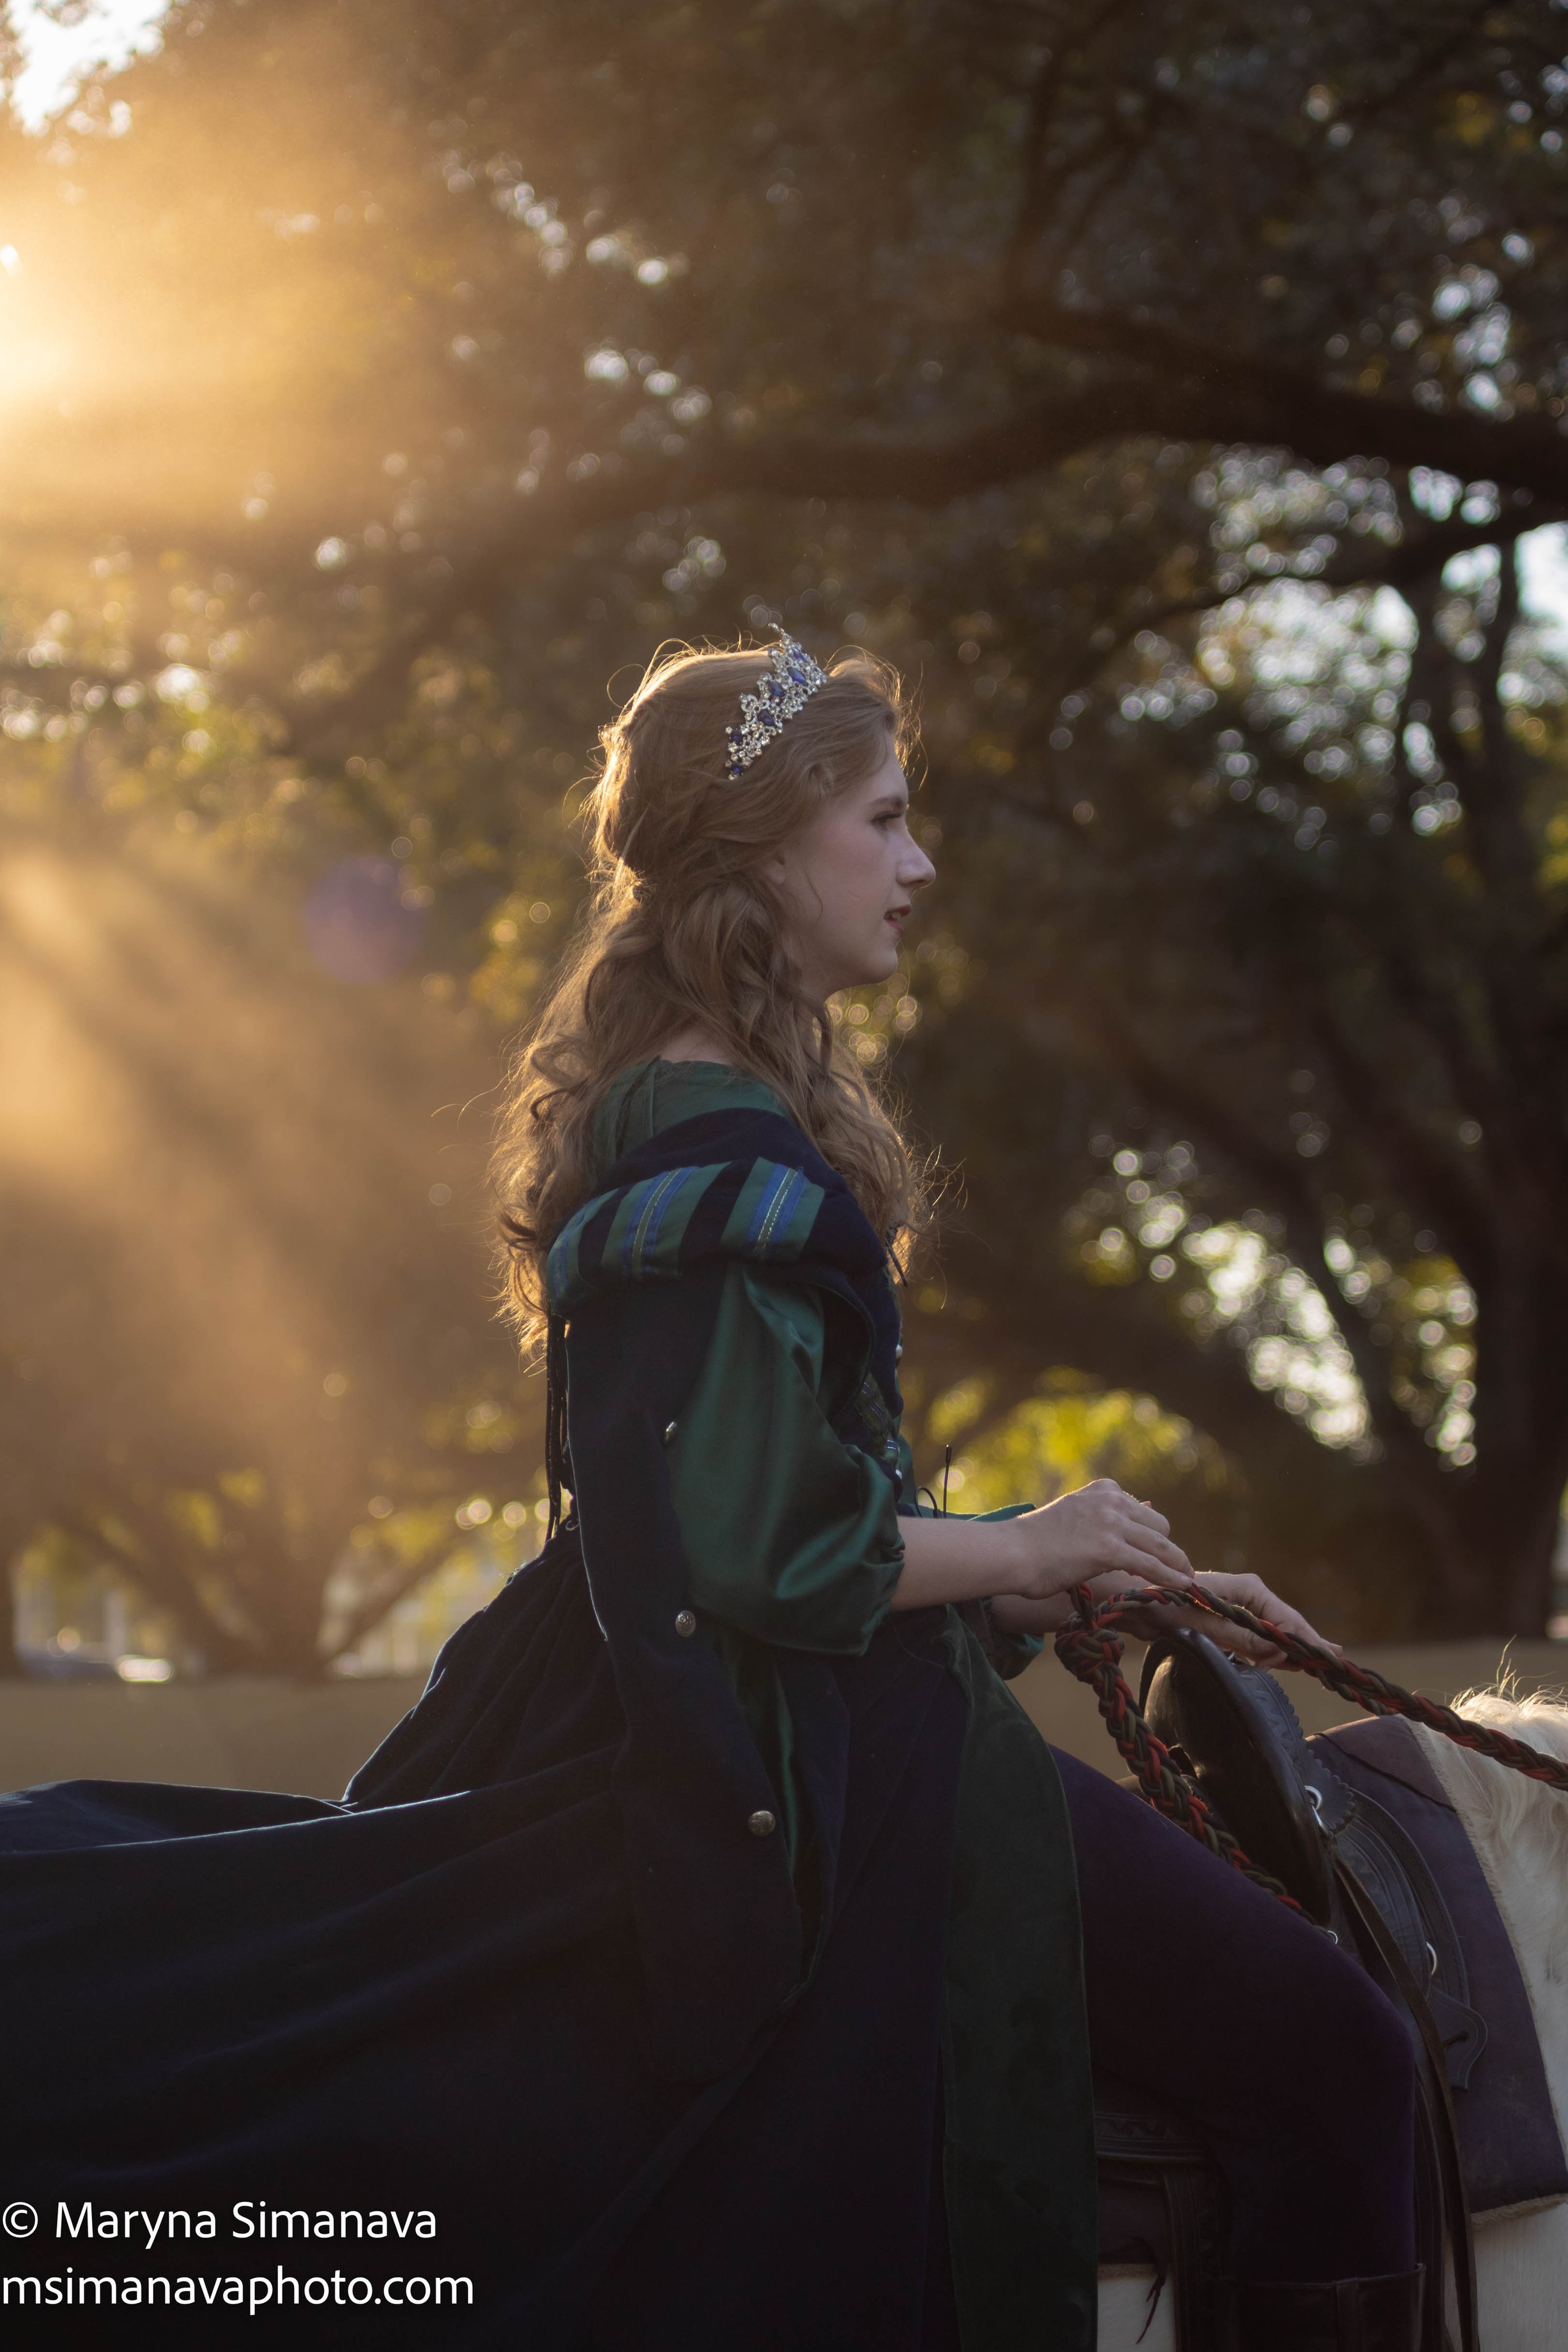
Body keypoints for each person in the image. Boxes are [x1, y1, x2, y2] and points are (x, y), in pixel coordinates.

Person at [0, 631, 1419, 2352]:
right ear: (762, 845)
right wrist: (1028, 1536)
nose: (921, 864)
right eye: (886, 823)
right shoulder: (727, 1159)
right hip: (853, 1783)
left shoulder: (675, 1119)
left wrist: (1016, 1581)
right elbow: (752, 1545)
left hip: (809, 1714)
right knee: (1343, 2051)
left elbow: (768, 1504)